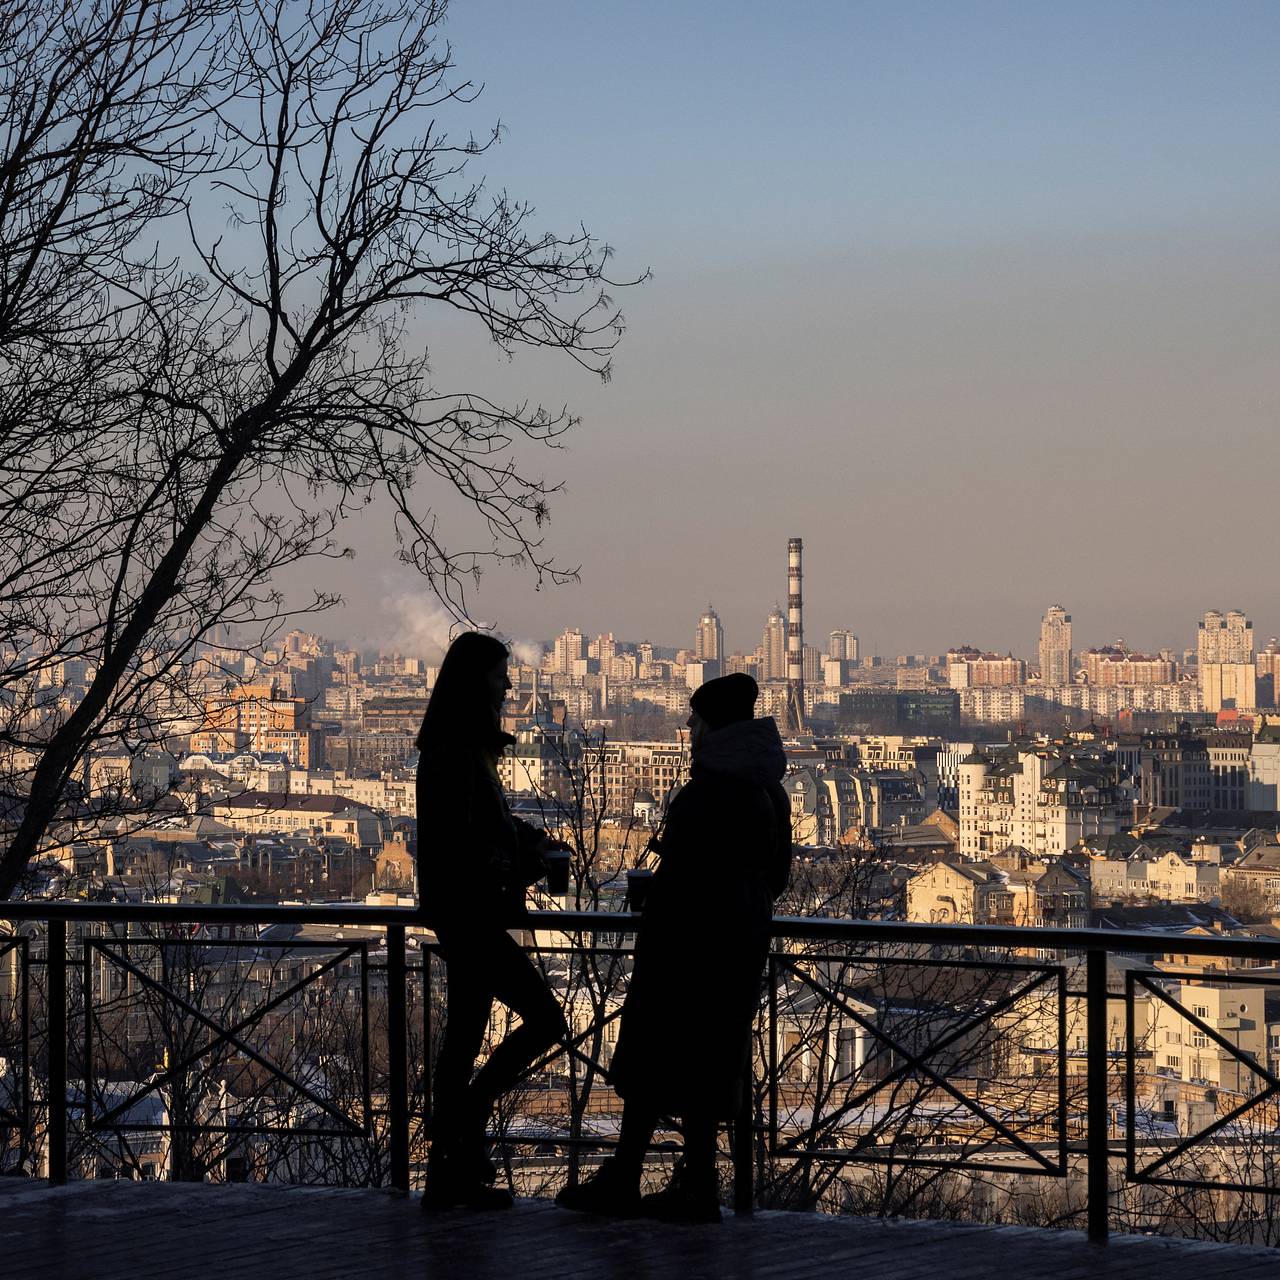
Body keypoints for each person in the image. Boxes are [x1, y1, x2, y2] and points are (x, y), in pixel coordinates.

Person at [557, 672, 791, 1222]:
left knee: (651, 1060)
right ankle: (697, 1183)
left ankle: (630, 1177)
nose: (687, 729)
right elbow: (773, 874)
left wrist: (664, 900)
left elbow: (689, 875)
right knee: (710, 1064)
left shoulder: (712, 788)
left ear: (712, 726)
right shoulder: (766, 786)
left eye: (694, 720)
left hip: (685, 947)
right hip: (737, 945)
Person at [415, 631, 569, 1210]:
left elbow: (482, 827)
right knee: (546, 1019)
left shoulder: (458, 746)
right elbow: (469, 838)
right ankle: (465, 1130)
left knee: (462, 1038)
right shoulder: (459, 751)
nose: (507, 685)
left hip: (463, 909)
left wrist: (526, 843)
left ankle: (451, 1163)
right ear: (474, 680)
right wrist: (528, 856)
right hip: (470, 910)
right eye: (500, 674)